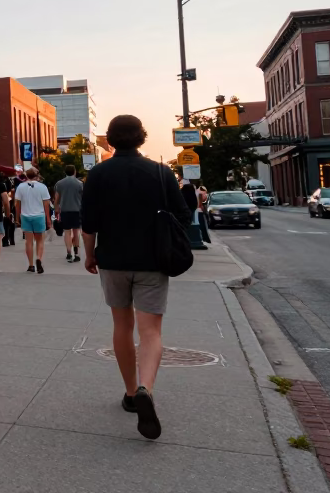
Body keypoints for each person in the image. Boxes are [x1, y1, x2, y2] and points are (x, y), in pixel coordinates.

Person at [82, 115, 191, 440]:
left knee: (122, 326)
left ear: (110, 140)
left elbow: (89, 223)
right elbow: (183, 216)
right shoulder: (161, 172)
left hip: (113, 260)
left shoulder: (98, 173)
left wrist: (89, 255)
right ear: (142, 137)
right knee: (151, 331)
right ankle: (146, 387)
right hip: (153, 261)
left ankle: (130, 393)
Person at [14, 168, 53, 274]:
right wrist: (48, 219)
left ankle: (31, 265)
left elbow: (17, 204)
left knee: (29, 241)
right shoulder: (42, 187)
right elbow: (46, 204)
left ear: (26, 176)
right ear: (37, 176)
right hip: (39, 216)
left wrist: (17, 217)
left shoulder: (20, 187)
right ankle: (39, 258)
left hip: (25, 216)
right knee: (40, 240)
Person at [54, 165, 84, 263]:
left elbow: (57, 198)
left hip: (65, 210)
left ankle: (69, 252)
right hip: (77, 210)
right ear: (74, 171)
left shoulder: (59, 183)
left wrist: (56, 209)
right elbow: (83, 198)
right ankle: (76, 252)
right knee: (76, 232)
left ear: (65, 172)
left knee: (67, 232)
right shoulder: (80, 184)